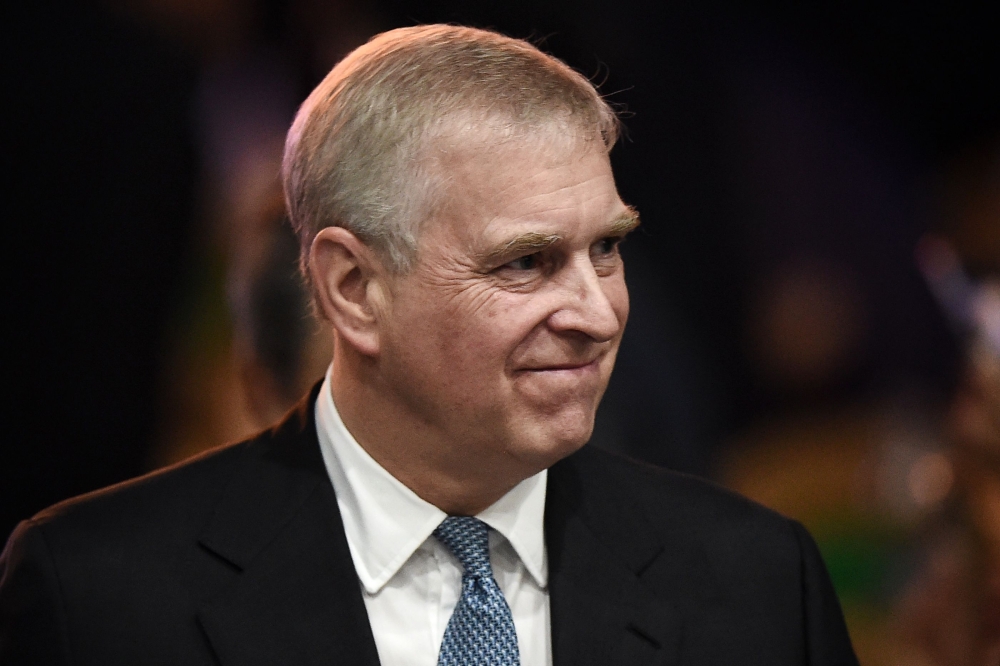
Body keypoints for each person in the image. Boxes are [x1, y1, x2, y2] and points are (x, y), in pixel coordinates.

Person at [0, 25, 859, 665]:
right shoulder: (99, 596)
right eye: (528, 262)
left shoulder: (757, 585)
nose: (597, 314)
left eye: (607, 249)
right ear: (352, 289)